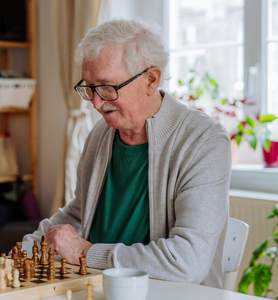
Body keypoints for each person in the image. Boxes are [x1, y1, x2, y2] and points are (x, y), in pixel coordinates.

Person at [22, 18, 231, 288]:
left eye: (108, 87)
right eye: (89, 88)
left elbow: (186, 261)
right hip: (95, 287)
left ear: (151, 80)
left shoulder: (203, 140)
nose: (97, 103)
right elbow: (80, 212)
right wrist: (27, 248)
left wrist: (86, 252)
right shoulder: (101, 134)